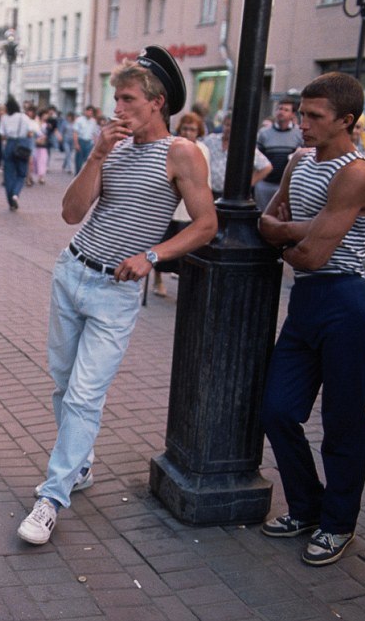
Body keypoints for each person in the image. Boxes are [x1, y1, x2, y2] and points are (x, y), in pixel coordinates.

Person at [17, 46, 217, 545]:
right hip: (72, 271)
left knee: (85, 395)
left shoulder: (182, 153)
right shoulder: (115, 148)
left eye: (127, 99)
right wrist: (98, 153)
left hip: (116, 290)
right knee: (63, 386)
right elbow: (70, 212)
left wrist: (153, 256)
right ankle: (79, 466)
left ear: (157, 102)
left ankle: (51, 497)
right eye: (116, 99)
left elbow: (207, 225)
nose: (118, 108)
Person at [258, 72, 365, 566]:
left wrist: (289, 235)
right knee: (278, 410)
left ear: (346, 121)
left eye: (314, 117)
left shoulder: (357, 173)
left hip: (346, 300)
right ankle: (307, 507)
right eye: (301, 114)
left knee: (343, 420)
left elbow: (310, 254)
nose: (302, 124)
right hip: (307, 301)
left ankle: (338, 523)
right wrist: (298, 232)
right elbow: (270, 223)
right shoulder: (299, 160)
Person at [152, 111, 213, 297]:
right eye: (185, 128)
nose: (188, 132)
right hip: (172, 204)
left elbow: (206, 178)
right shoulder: (174, 147)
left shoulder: (202, 149)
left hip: (190, 206)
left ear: (198, 131)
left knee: (187, 246)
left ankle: (185, 282)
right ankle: (158, 279)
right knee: (164, 240)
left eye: (192, 129)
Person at [202, 112, 273, 198]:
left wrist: (245, 186)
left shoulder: (243, 145)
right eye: (227, 125)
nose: (229, 128)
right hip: (208, 191)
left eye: (233, 125)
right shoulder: (210, 140)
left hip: (229, 195)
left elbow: (266, 167)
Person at [254, 97, 304, 210]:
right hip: (266, 183)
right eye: (279, 109)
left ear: (292, 114)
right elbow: (257, 157)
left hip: (287, 184)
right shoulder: (264, 133)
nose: (281, 112)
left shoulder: (299, 133)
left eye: (286, 110)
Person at [0, 96, 32, 211]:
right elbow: (32, 130)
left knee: (8, 174)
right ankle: (16, 194)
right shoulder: (24, 117)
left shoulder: (4, 118)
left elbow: (2, 135)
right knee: (21, 174)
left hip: (9, 144)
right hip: (22, 145)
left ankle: (10, 200)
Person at [73, 105, 97, 173]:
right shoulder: (79, 120)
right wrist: (76, 144)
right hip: (81, 141)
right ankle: (77, 176)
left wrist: (95, 144)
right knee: (79, 161)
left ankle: (84, 177)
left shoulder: (93, 121)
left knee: (88, 161)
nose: (90, 113)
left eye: (91, 112)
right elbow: (75, 132)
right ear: (85, 111)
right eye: (88, 111)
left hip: (89, 143)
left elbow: (94, 134)